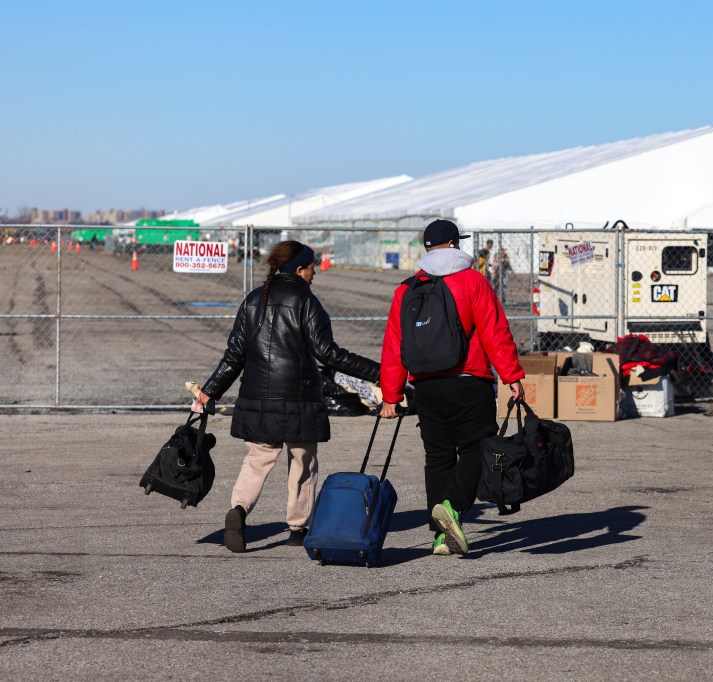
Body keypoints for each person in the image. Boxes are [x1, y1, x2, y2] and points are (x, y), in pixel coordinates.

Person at [194, 240, 381, 554]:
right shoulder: (307, 301)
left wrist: (209, 390)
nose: (314, 274)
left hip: (256, 398)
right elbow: (329, 353)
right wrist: (378, 372)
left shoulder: (253, 300)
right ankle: (297, 527)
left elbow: (233, 356)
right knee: (302, 462)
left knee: (257, 459)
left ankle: (238, 510)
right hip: (299, 399)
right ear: (299, 269)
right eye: (312, 268)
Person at [379, 219, 524, 557]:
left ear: (428, 248)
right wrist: (511, 374)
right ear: (454, 244)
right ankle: (454, 508)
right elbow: (494, 331)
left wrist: (391, 394)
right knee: (477, 448)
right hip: (469, 380)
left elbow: (394, 344)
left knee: (438, 457)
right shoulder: (472, 281)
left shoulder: (407, 288)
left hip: (426, 386)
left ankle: (441, 538)